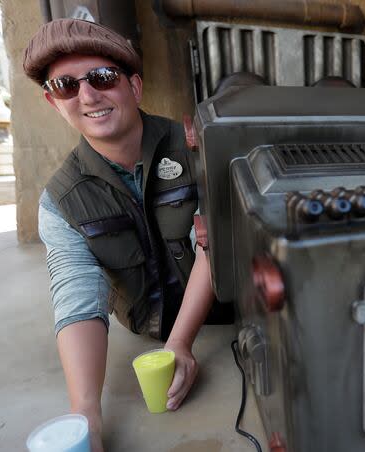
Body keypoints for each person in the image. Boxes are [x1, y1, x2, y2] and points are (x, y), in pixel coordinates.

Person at [23, 19, 231, 451]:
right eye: (66, 85)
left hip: (230, 326)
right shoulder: (61, 201)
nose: (88, 95)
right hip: (147, 338)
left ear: (133, 86)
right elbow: (78, 297)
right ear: (52, 101)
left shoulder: (200, 147)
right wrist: (86, 413)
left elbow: (213, 243)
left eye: (102, 77)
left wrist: (181, 343)